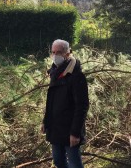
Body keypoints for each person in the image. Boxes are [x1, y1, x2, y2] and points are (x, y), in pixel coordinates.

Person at [42, 39, 89, 168]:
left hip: (70, 129)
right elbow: (51, 100)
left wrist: (75, 133)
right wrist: (45, 121)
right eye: (53, 52)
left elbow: (82, 106)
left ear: (67, 53)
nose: (55, 55)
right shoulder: (54, 73)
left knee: (74, 164)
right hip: (55, 128)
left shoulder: (76, 76)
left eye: (59, 52)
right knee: (58, 161)